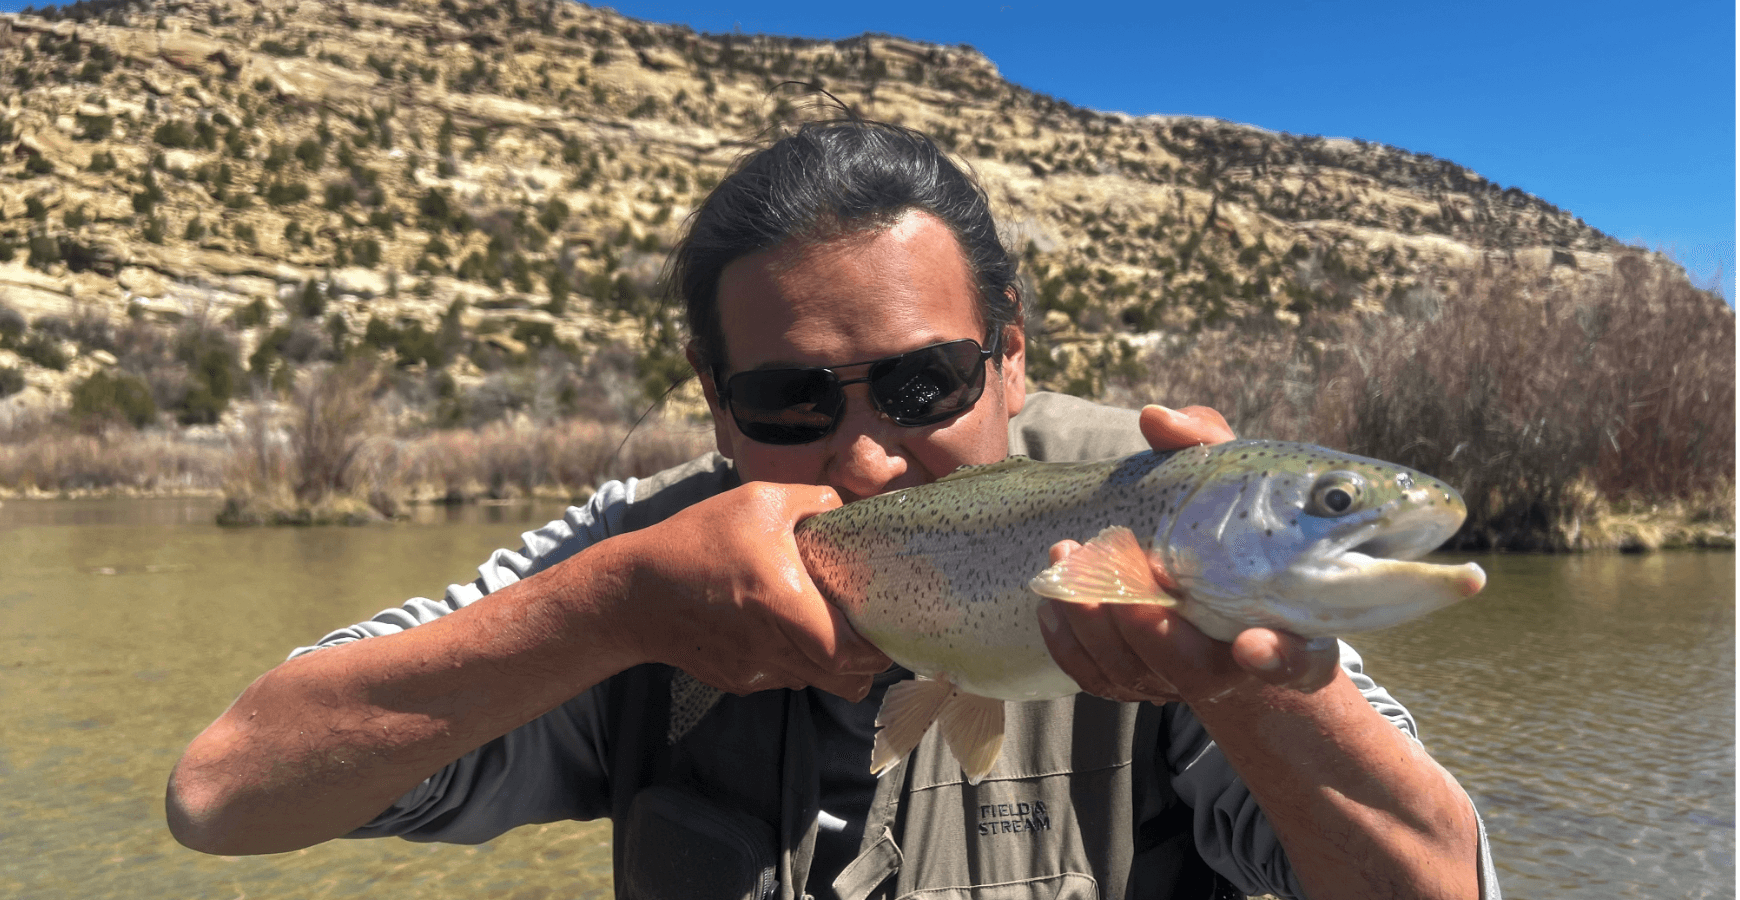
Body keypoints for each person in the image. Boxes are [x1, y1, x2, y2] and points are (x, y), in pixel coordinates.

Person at [167, 117, 1499, 900]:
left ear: (1009, 351)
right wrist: (607, 611)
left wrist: (1260, 688)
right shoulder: (652, 550)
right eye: (792, 402)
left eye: (923, 382)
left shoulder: (1158, 517)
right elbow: (225, 797)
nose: (862, 460)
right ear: (713, 395)